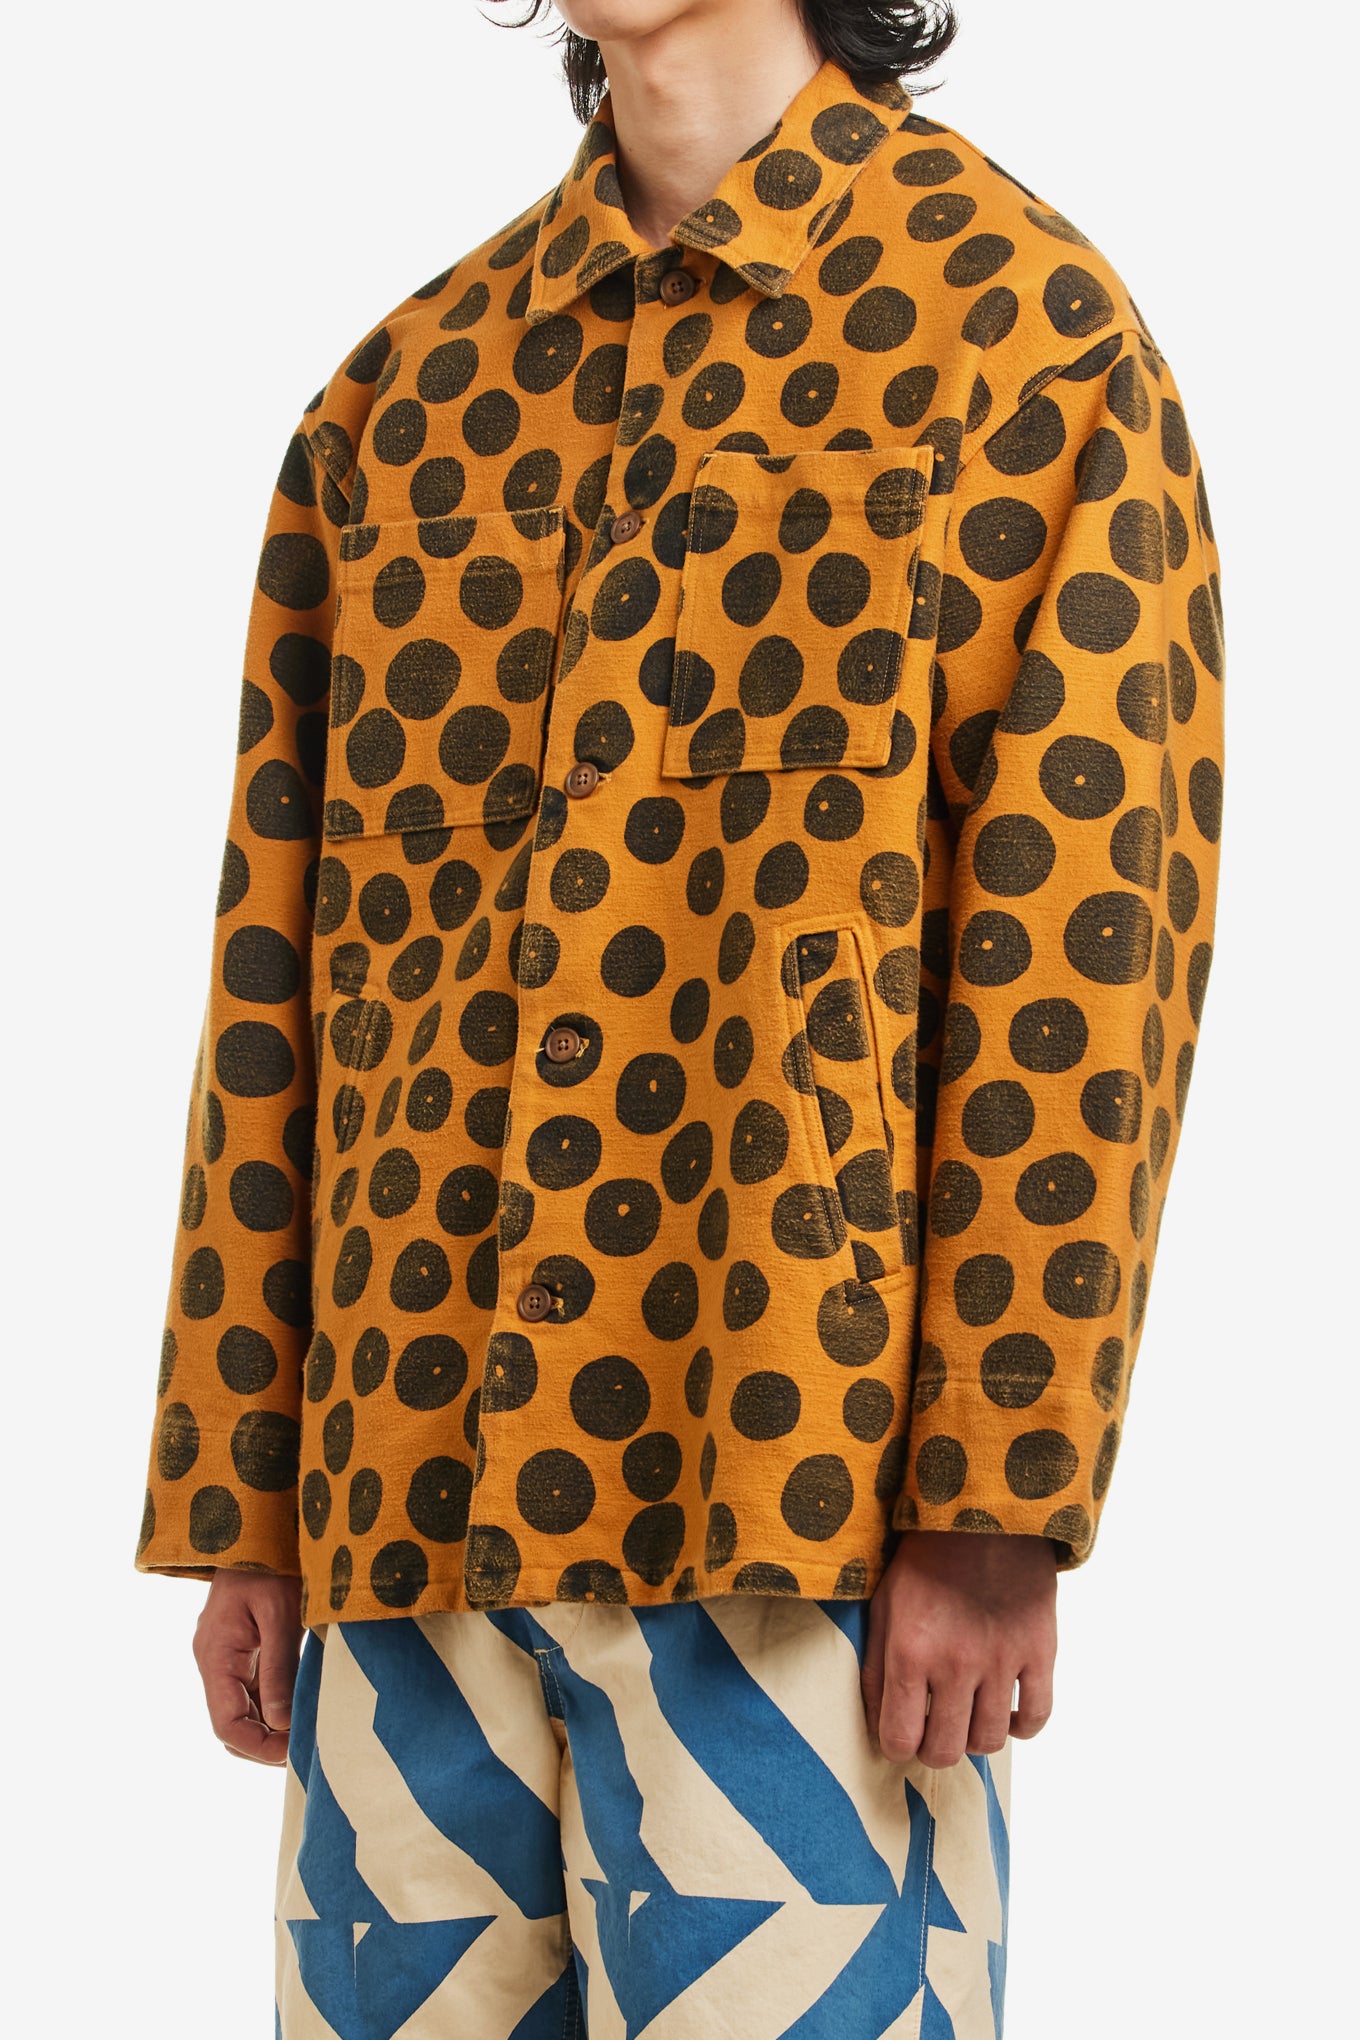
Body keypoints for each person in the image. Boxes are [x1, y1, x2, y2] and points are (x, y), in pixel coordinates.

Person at [134, 0, 1225, 2032]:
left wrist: (995, 1495)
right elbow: (277, 964)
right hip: (406, 1510)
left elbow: (1087, 947)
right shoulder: (407, 394)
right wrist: (242, 1490)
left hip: (792, 1495)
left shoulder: (1017, 335)